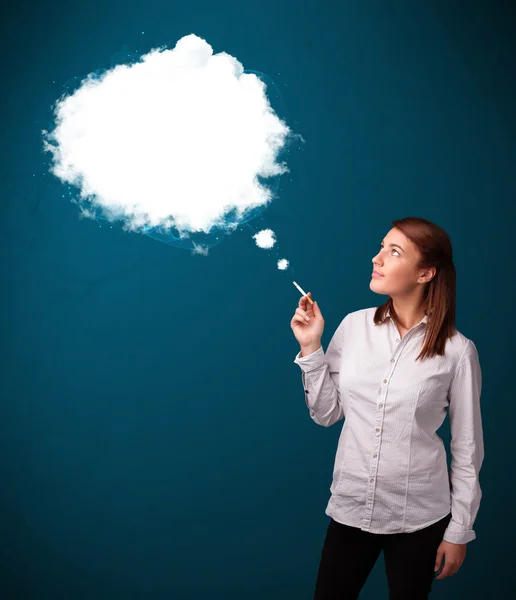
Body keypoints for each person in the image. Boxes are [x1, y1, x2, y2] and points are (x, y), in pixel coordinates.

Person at [290, 217, 484, 599]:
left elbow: (467, 448)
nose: (376, 259)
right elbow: (326, 414)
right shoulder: (352, 326)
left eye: (393, 252)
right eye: (381, 247)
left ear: (426, 272)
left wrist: (459, 530)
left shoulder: (458, 351)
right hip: (351, 508)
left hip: (421, 518)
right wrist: (311, 346)